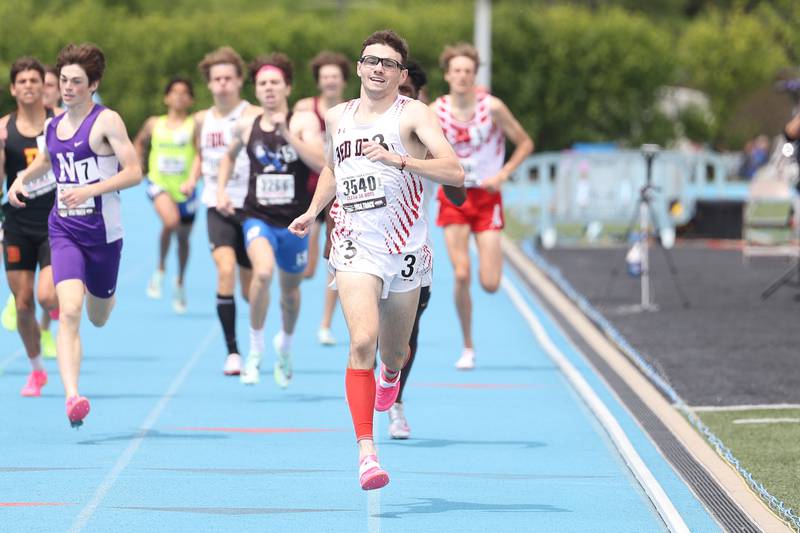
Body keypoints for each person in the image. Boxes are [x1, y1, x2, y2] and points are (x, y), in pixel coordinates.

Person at [289, 30, 464, 490]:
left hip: (405, 247)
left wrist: (398, 160)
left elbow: (454, 170)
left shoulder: (414, 115)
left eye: (388, 63)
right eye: (371, 61)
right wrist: (312, 211)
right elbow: (332, 167)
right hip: (353, 244)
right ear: (360, 67)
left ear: (401, 74)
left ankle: (391, 375)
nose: (378, 69)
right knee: (361, 340)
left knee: (394, 352)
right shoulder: (336, 117)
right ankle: (367, 452)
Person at [8, 43, 142, 427]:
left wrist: (91, 189)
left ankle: (108, 295)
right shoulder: (52, 126)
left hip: (102, 235)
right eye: (63, 80)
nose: (67, 88)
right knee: (68, 311)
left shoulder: (107, 122)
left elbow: (133, 172)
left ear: (93, 84)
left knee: (98, 315)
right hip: (63, 228)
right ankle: (72, 396)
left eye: (77, 82)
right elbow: (48, 162)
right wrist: (20, 180)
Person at [218, 53, 323, 387]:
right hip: (257, 216)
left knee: (290, 293)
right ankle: (255, 348)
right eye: (262, 83)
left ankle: (286, 346)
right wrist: (220, 190)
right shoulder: (246, 125)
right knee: (262, 272)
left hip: (294, 222)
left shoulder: (303, 121)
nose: (268, 89)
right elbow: (228, 157)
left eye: (275, 82)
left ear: (287, 87)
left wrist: (289, 135)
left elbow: (322, 163)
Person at [433, 42, 533, 370]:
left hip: (487, 197)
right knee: (461, 272)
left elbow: (525, 142)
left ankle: (484, 268)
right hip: (454, 196)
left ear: (475, 76)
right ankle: (467, 346)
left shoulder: (492, 108)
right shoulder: (436, 110)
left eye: (468, 71)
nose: (462, 76)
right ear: (447, 75)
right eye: (457, 71)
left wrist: (503, 173)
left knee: (490, 283)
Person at [181, 47, 260, 375]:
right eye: (217, 79)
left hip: (253, 206)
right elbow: (201, 153)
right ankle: (233, 352)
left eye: (229, 78)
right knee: (224, 269)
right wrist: (192, 177)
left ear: (239, 81)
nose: (223, 84)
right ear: (209, 84)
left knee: (250, 287)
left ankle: (258, 340)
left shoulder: (253, 115)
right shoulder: (201, 119)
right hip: (217, 204)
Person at [0, 57, 60, 396]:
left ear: (43, 86)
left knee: (45, 295)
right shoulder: (4, 130)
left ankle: (62, 306)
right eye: (21, 81)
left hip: (56, 222)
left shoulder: (59, 124)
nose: (28, 86)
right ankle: (36, 369)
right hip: (18, 225)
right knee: (22, 303)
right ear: (13, 88)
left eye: (34, 81)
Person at [293, 51, 349, 347]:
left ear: (343, 81)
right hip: (308, 190)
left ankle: (326, 323)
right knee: (309, 267)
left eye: (335, 76)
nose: (329, 81)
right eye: (325, 76)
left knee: (337, 260)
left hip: (342, 194)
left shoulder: (352, 111)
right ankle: (290, 292)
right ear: (318, 81)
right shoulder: (305, 110)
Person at [135, 77, 197, 313]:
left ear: (190, 99)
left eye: (184, 93)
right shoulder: (154, 123)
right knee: (170, 222)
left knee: (183, 239)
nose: (179, 96)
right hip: (158, 183)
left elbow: (201, 154)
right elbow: (139, 143)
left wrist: (193, 178)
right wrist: (138, 165)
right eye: (174, 92)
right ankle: (160, 268)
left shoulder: (194, 125)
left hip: (185, 189)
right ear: (166, 97)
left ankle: (179, 281)